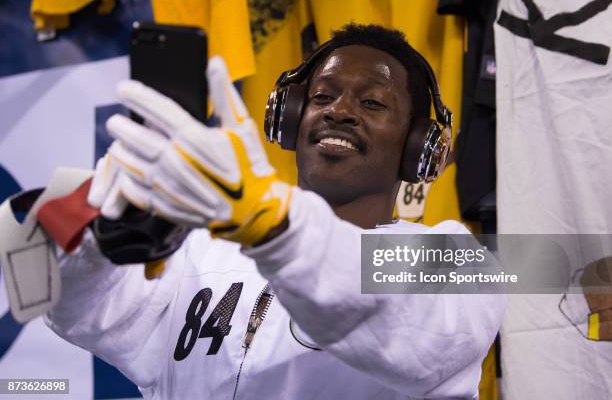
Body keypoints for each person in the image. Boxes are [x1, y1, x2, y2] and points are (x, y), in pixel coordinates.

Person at [45, 24, 505, 399]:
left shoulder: (454, 257)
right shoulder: (200, 246)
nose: (339, 111)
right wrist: (98, 241)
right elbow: (82, 314)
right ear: (289, 119)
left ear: (417, 146)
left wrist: (277, 224)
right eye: (322, 97)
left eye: (372, 102)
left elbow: (410, 335)